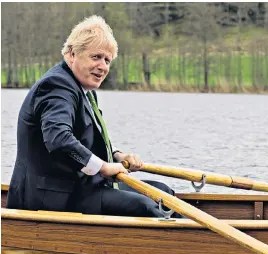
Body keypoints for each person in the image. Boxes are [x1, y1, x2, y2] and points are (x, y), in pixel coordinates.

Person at [6, 15, 178, 218]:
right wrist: (103, 167)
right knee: (148, 207)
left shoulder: (86, 89)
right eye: (96, 57)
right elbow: (59, 139)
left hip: (82, 188)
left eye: (107, 60)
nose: (103, 66)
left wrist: (117, 157)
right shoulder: (57, 86)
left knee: (163, 193)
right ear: (71, 54)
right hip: (52, 198)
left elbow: (86, 141)